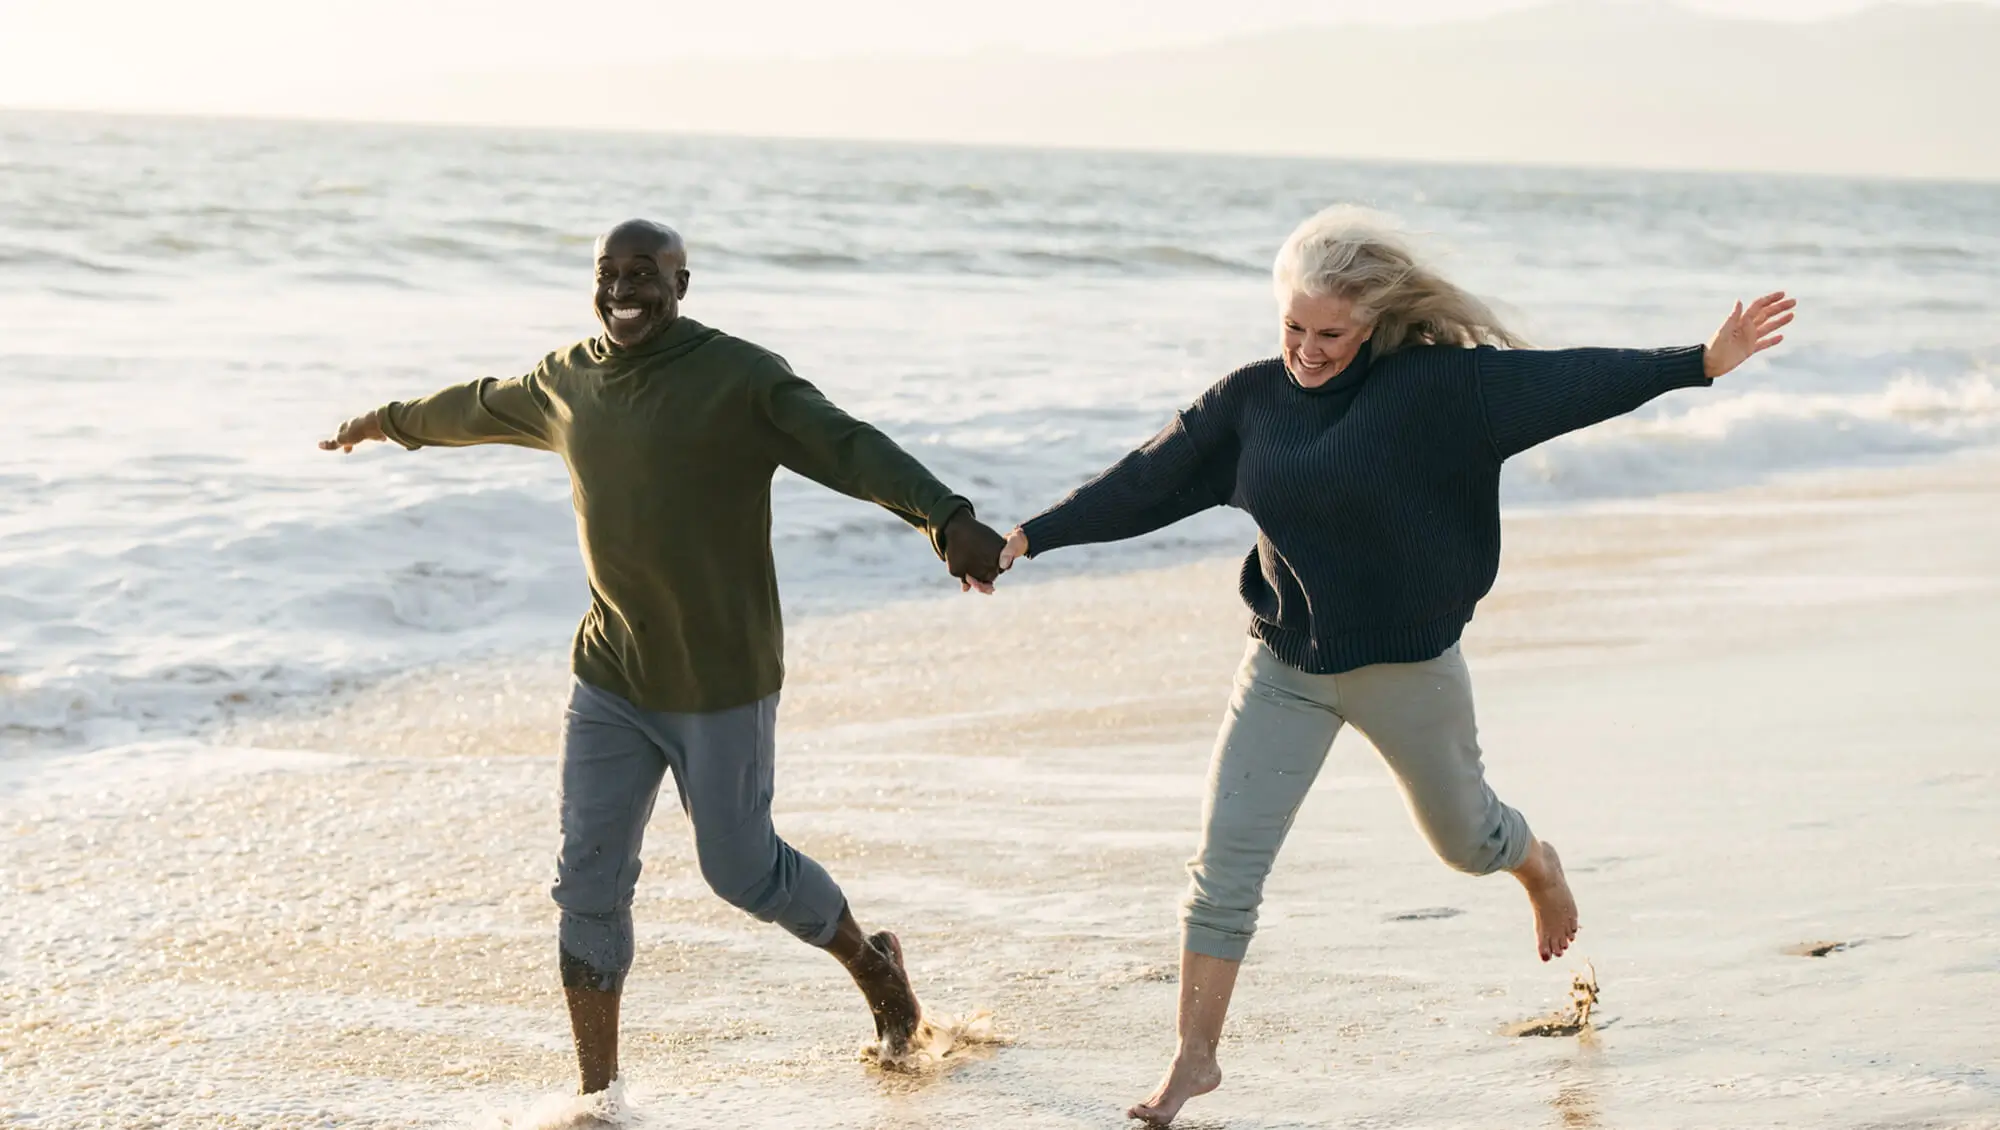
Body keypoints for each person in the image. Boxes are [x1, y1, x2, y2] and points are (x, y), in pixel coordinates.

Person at [995, 205, 1794, 1126]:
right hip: (1284, 668)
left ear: (1373, 323)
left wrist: (1697, 362)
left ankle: (1533, 860)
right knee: (1223, 867)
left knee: (1465, 844)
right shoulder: (1251, 402)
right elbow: (1145, 478)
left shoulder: (1443, 391)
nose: (1306, 349)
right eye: (1292, 327)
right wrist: (1030, 538)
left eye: (1329, 333)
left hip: (1410, 670)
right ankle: (1192, 1062)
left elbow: (1571, 382)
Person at [319, 219, 1008, 1096]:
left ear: (682, 285)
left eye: (645, 273)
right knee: (587, 884)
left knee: (742, 869)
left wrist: (942, 517)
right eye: (608, 273)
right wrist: (387, 422)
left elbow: (848, 445)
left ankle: (871, 964)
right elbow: (477, 404)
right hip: (611, 675)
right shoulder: (565, 381)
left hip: (721, 678)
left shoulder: (740, 378)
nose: (623, 289)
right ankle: (597, 1100)